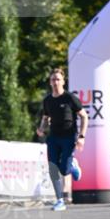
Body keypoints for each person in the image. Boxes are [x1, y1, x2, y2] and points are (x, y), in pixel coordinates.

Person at [36, 68, 88, 210]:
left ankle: (72, 166)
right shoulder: (47, 100)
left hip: (69, 137)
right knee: (53, 169)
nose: (55, 82)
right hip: (53, 138)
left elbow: (84, 116)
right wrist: (41, 129)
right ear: (50, 82)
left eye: (58, 79)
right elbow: (46, 118)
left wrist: (81, 136)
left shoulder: (70, 98)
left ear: (63, 81)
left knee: (64, 171)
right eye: (53, 79)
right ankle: (60, 200)